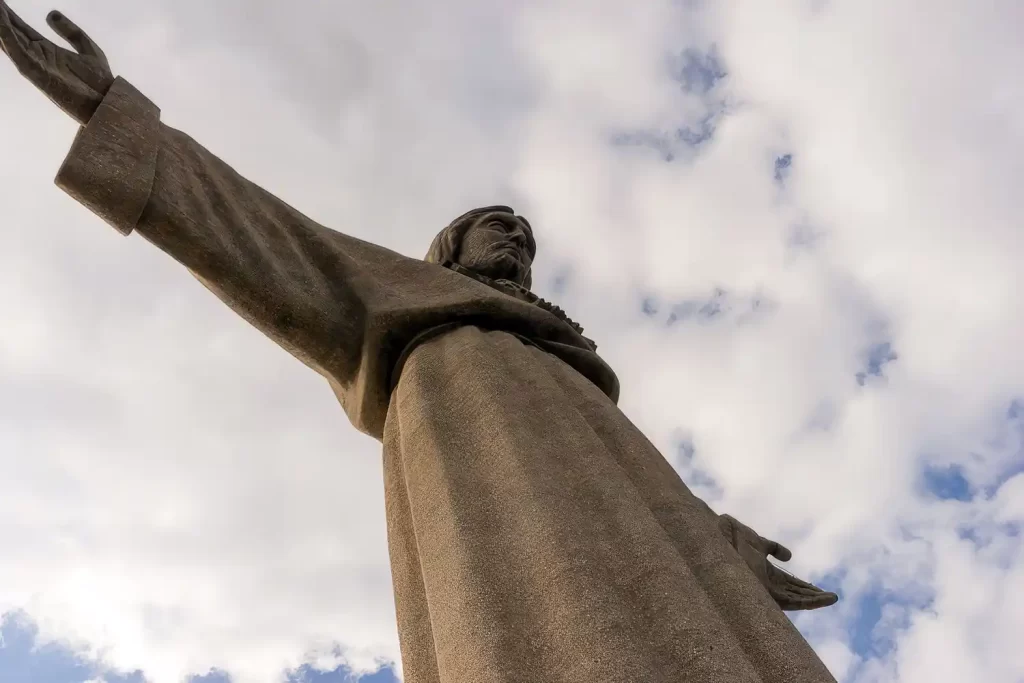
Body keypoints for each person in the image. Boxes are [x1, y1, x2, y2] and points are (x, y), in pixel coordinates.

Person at [0, 5, 839, 682]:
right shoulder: (405, 298)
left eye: (522, 235)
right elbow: (263, 234)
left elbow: (636, 491)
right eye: (494, 227)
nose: (514, 239)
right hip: (487, 499)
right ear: (448, 250)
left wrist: (722, 545)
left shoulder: (565, 359)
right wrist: (119, 117)